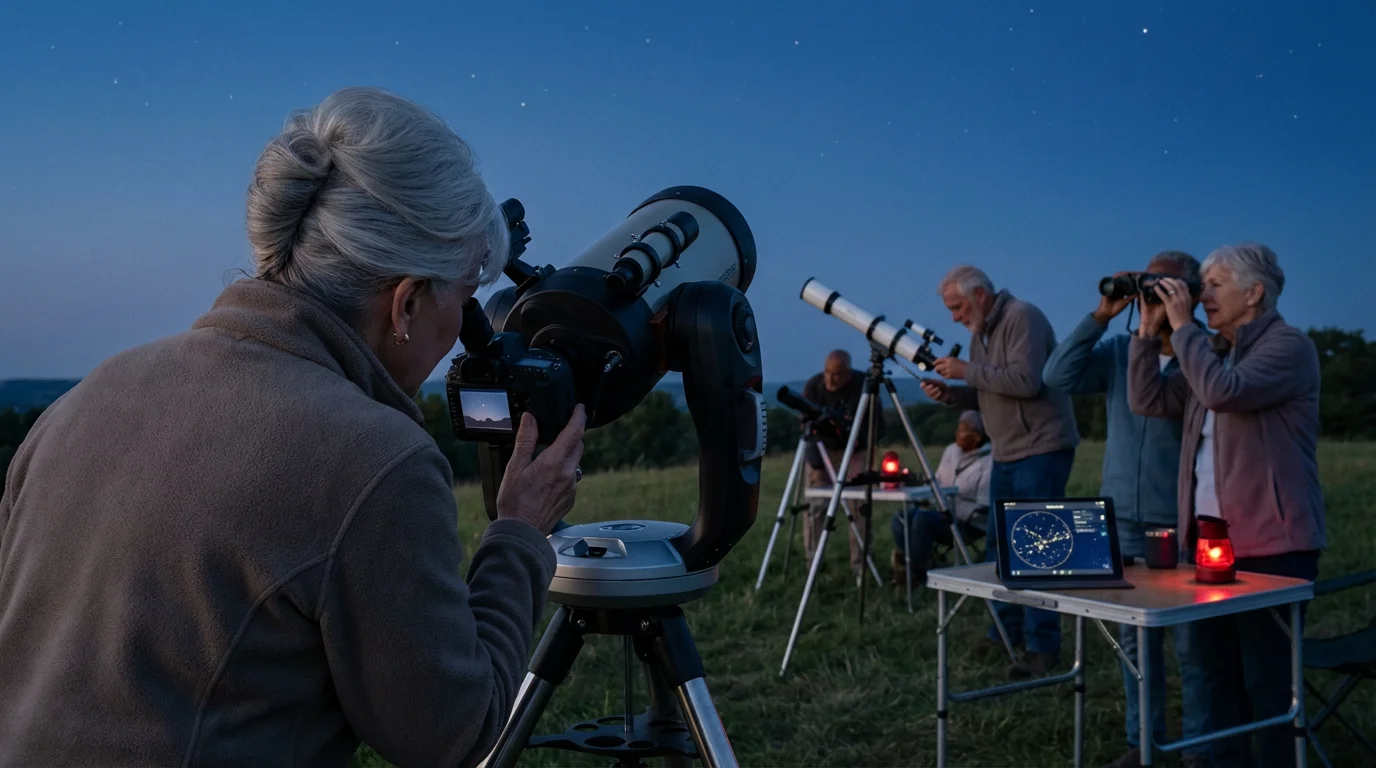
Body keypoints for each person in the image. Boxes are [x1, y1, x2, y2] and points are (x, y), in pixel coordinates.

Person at [0, 87, 587, 766]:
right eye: (461, 299)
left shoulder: (91, 396)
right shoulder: (374, 459)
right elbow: (451, 733)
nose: (463, 334)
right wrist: (517, 532)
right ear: (407, 301)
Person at [1128, 243, 1325, 768]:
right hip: (1209, 547)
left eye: (1214, 284)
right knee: (1216, 675)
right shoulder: (1212, 351)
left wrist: (1183, 326)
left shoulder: (1288, 347)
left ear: (1254, 292)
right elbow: (1148, 401)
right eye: (1202, 285)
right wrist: (1149, 333)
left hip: (1272, 546)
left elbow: (1222, 393)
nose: (1202, 294)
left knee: (1266, 681)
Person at [1043, 251, 1211, 768]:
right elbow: (1056, 374)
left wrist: (1168, 327)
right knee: (1135, 645)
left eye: (1166, 287)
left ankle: (1204, 750)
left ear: (1191, 295)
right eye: (1148, 285)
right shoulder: (1120, 348)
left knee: (1191, 646)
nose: (1153, 298)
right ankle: (1146, 747)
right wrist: (1101, 316)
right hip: (1121, 513)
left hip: (1177, 516)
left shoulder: (1200, 353)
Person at [922, 265, 1080, 678]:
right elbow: (986, 389)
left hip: (1041, 450)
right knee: (1000, 549)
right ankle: (1003, 634)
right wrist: (952, 394)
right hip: (1007, 454)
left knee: (1038, 551)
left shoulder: (1023, 317)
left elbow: (1026, 381)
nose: (955, 317)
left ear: (979, 295)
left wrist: (965, 371)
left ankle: (1043, 648)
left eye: (957, 307)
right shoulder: (981, 335)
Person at [800, 349, 885, 582]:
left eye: (837, 374)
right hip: (822, 449)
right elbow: (806, 423)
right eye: (827, 373)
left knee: (858, 507)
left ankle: (861, 567)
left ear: (848, 372)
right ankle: (813, 565)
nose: (830, 379)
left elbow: (874, 427)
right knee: (816, 507)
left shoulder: (863, 387)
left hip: (857, 449)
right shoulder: (814, 387)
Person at [888, 410, 992, 587]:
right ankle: (917, 563)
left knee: (922, 519)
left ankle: (912, 573)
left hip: (968, 523)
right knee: (901, 517)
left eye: (963, 430)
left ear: (977, 437)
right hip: (940, 512)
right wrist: (925, 496)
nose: (957, 433)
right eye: (958, 428)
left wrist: (947, 506)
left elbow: (982, 507)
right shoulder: (951, 451)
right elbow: (938, 482)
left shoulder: (989, 462)